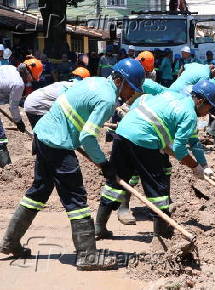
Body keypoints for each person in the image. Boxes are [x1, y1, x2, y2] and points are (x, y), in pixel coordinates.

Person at [0, 58, 145, 271]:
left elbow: (71, 109)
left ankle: (10, 241)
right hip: (57, 143)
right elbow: (88, 136)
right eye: (131, 89)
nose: (130, 95)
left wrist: (72, 132)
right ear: (120, 81)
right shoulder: (107, 99)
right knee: (75, 198)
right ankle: (87, 255)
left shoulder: (93, 82)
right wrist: (104, 164)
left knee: (39, 191)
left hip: (44, 135)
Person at [94, 80, 215, 240]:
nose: (207, 113)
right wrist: (196, 168)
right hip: (144, 140)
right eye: (208, 107)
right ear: (200, 100)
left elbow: (191, 142)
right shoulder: (189, 115)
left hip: (122, 133)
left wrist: (204, 165)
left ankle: (98, 227)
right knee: (158, 189)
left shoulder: (170, 94)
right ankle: (162, 232)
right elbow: (180, 150)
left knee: (116, 182)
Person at [0, 58, 43, 167]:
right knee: (1, 136)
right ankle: (6, 167)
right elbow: (13, 107)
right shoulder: (18, 84)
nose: (31, 80)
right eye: (32, 78)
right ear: (28, 73)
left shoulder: (11, 68)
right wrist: (19, 122)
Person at [24, 67, 91, 129]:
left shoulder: (66, 84)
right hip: (36, 106)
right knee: (46, 134)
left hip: (32, 102)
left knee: (43, 134)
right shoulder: (73, 88)